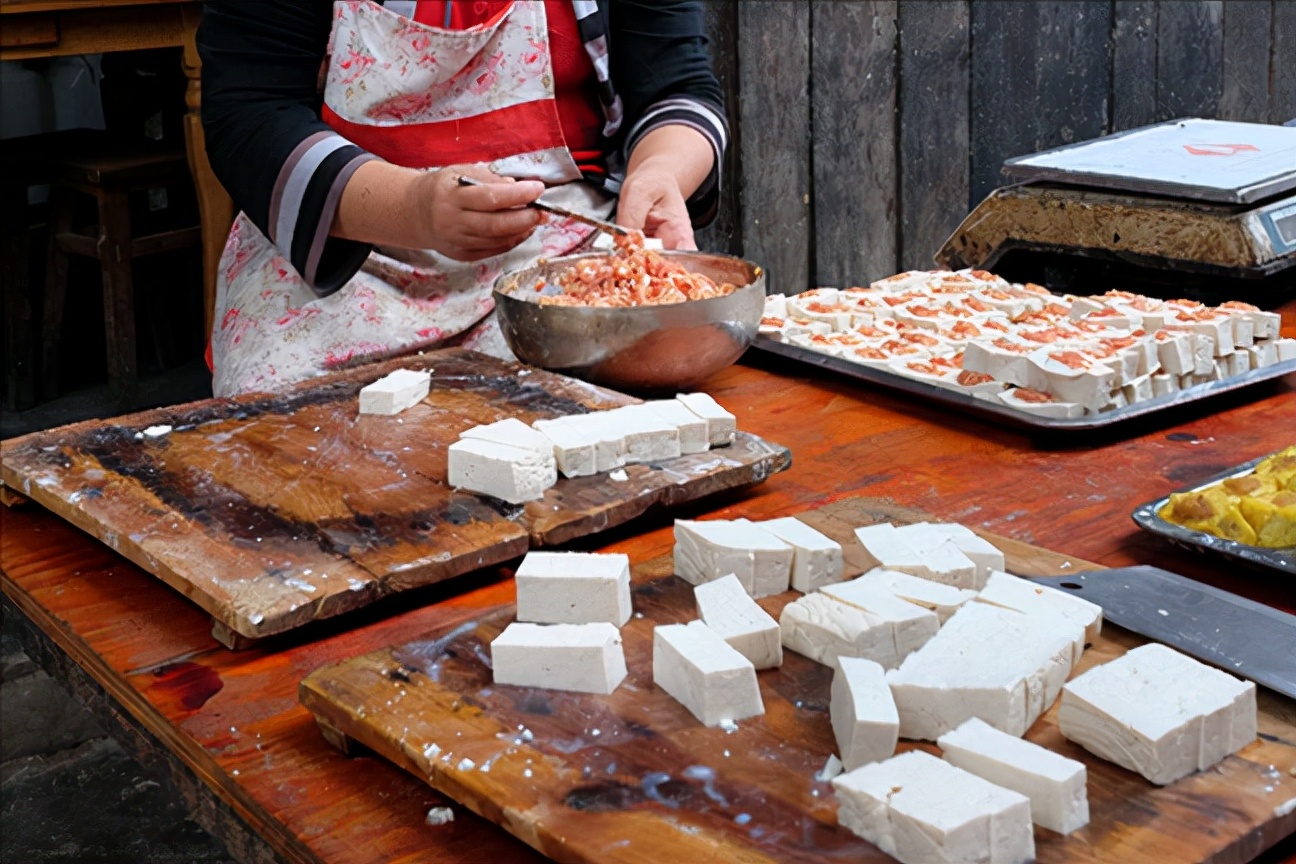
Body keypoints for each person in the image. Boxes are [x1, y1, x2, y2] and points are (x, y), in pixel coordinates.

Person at [198, 1, 728, 397]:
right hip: (343, 243)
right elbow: (249, 114)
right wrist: (413, 209)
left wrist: (659, 172)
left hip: (563, 260)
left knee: (596, 430)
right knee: (282, 448)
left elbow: (676, 86)